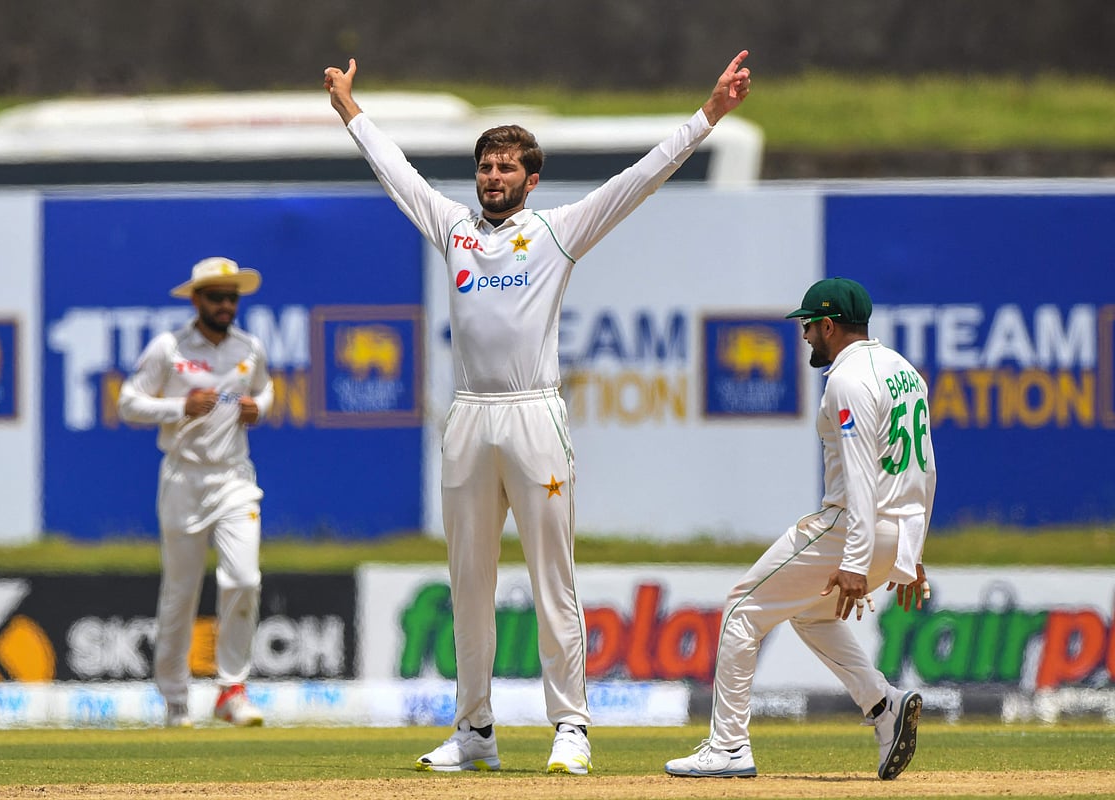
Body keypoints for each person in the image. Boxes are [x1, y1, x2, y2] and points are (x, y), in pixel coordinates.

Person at [323, 52, 751, 774]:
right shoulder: (454, 229)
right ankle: (474, 733)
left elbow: (638, 180)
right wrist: (349, 112)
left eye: (506, 167)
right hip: (468, 418)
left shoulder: (556, 232)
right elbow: (399, 175)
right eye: (486, 166)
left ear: (532, 178)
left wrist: (708, 115)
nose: (493, 177)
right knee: (468, 583)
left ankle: (571, 728)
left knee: (553, 576)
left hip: (531, 415)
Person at [665, 277, 936, 781]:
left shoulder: (847, 380)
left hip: (852, 528)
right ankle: (883, 706)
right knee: (811, 615)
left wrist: (855, 563)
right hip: (897, 531)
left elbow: (859, 478)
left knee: (742, 609)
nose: (806, 336)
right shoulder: (905, 372)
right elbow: (925, 469)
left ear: (829, 326)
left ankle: (728, 747)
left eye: (810, 326)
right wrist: (911, 553)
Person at [118, 256, 274, 728]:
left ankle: (231, 689)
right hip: (183, 477)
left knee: (244, 579)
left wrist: (257, 409)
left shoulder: (250, 346)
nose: (226, 305)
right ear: (197, 299)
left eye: (232, 297)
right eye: (216, 297)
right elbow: (128, 403)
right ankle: (176, 702)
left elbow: (266, 391)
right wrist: (179, 406)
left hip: (233, 477)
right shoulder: (169, 347)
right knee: (180, 595)